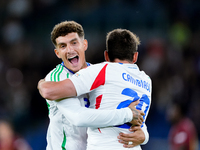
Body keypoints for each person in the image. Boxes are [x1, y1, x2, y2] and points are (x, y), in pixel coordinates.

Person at [40, 21, 149, 150]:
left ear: (84, 44)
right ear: (57, 53)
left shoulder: (97, 73)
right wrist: (127, 114)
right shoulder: (57, 78)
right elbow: (78, 117)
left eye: (74, 43)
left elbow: (128, 107)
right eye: (63, 46)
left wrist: (144, 134)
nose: (70, 50)